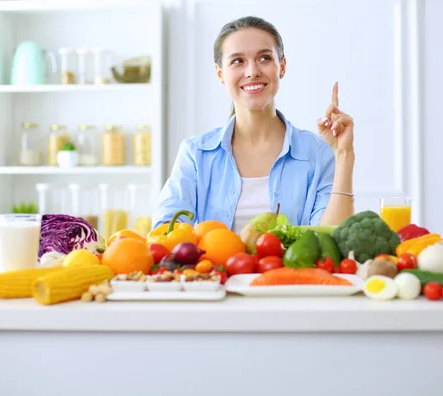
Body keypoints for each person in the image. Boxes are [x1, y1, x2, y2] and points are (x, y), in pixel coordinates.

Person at [152, 16, 355, 234]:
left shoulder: (317, 152)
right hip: (212, 269)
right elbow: (165, 232)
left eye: (264, 58)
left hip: (291, 269)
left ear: (282, 66)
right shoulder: (195, 153)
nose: (252, 72)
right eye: (238, 61)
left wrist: (343, 154)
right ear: (221, 73)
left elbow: (332, 239)